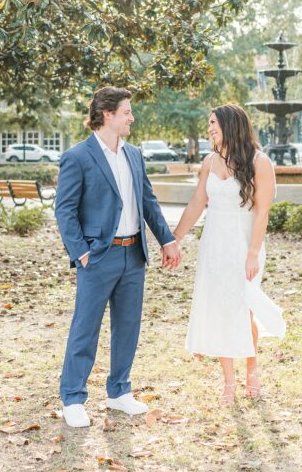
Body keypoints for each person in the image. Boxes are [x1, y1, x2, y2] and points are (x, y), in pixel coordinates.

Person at [54, 86, 182, 428]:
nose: (132, 118)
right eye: (127, 112)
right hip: (97, 257)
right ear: (107, 114)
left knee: (128, 327)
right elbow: (65, 210)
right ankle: (73, 398)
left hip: (134, 255)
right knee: (85, 328)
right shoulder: (78, 157)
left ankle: (119, 391)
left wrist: (167, 241)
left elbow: (148, 202)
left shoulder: (134, 155)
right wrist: (81, 252)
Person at [172, 103, 286, 406]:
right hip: (214, 245)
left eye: (214, 123)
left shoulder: (259, 162)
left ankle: (251, 369)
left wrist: (253, 253)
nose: (209, 129)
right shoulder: (210, 161)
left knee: (244, 307)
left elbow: (262, 212)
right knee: (221, 309)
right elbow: (197, 202)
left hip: (245, 243)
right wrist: (176, 238)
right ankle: (228, 381)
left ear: (230, 125)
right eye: (209, 123)